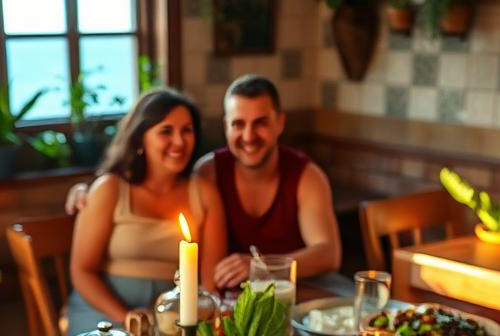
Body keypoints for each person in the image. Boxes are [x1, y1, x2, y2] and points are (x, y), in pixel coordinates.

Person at [66, 75, 343, 294]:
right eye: (238, 124)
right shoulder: (208, 172)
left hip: (297, 289)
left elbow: (329, 254)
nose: (249, 136)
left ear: (279, 123)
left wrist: (261, 267)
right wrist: (88, 189)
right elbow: (145, 178)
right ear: (226, 126)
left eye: (260, 123)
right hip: (237, 296)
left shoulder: (306, 175)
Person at [66, 88, 226, 334]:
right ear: (140, 138)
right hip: (104, 316)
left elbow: (209, 283)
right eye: (166, 131)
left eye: (187, 130)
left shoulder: (204, 193)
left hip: (172, 321)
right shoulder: (110, 188)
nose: (179, 141)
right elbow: (82, 271)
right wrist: (128, 317)